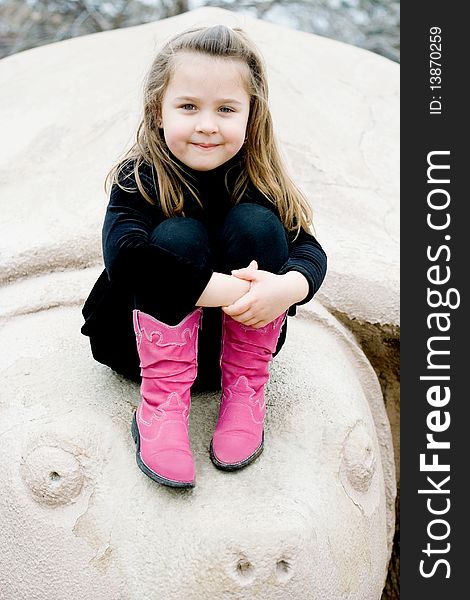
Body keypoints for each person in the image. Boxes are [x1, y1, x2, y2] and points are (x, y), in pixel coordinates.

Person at [81, 24, 327, 489]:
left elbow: (309, 250)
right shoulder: (141, 177)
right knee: (177, 235)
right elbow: (125, 257)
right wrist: (235, 289)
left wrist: (286, 288)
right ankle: (162, 409)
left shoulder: (259, 178)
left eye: (226, 109)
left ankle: (245, 394)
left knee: (257, 224)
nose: (207, 124)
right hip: (137, 346)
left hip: (226, 351)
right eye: (189, 106)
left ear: (251, 117)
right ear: (159, 110)